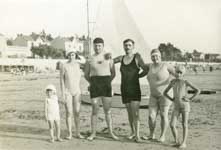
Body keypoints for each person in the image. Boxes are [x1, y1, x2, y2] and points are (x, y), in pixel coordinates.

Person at [84, 37, 118, 141]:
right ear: (93, 46)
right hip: (95, 85)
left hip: (106, 85)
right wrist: (92, 82)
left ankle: (111, 132)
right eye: (95, 45)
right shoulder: (90, 58)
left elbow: (113, 73)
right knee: (95, 110)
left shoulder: (108, 57)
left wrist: (107, 82)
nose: (97, 47)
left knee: (107, 110)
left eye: (99, 45)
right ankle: (93, 133)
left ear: (103, 46)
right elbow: (86, 74)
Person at [114, 39, 147, 142]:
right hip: (124, 89)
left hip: (135, 89)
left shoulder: (137, 58)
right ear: (123, 47)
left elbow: (146, 69)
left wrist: (138, 76)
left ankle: (137, 135)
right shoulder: (121, 58)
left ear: (133, 46)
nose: (127, 47)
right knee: (129, 113)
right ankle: (132, 132)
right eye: (125, 45)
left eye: (129, 45)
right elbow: (110, 61)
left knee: (136, 113)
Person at [163, 65, 200, 148]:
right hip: (176, 106)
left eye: (180, 73)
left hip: (185, 106)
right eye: (177, 72)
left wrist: (190, 99)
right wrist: (172, 99)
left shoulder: (185, 81)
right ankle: (177, 141)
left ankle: (184, 143)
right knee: (172, 125)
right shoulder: (172, 82)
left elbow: (198, 90)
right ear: (174, 72)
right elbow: (164, 92)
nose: (178, 74)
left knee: (184, 124)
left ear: (183, 73)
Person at [145, 48, 175, 142]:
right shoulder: (149, 66)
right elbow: (138, 64)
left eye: (157, 56)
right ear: (151, 57)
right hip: (153, 95)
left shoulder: (165, 65)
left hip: (165, 95)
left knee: (163, 115)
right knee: (151, 116)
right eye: (153, 56)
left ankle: (162, 136)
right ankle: (151, 134)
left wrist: (170, 80)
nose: (155, 58)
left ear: (160, 56)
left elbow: (178, 72)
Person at [60, 50, 86, 140]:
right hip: (68, 91)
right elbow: (61, 81)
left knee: (77, 112)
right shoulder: (63, 65)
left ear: (76, 56)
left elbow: (88, 66)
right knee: (69, 113)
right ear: (67, 56)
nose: (71, 56)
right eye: (70, 55)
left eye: (73, 55)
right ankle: (69, 133)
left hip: (77, 91)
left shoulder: (79, 65)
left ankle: (78, 133)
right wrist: (63, 93)